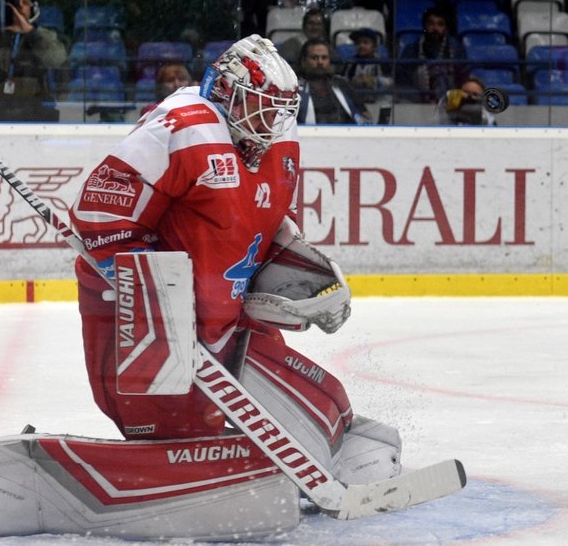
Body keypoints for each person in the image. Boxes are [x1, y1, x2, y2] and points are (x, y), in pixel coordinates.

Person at [57, 35, 398, 536]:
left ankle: (268, 459)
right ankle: (176, 476)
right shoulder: (180, 128)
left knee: (323, 401)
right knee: (171, 421)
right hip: (138, 316)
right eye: (260, 108)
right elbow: (99, 217)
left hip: (224, 314)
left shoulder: (280, 140)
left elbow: (269, 222)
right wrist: (160, 303)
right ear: (225, 90)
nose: (270, 122)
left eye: (280, 110)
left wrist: (306, 283)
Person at [395, 6, 468, 103]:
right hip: (419, 102)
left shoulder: (456, 48)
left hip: (451, 101)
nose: (435, 28)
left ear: (446, 28)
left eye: (440, 24)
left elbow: (463, 76)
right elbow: (403, 78)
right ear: (425, 26)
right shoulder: (413, 48)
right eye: (431, 24)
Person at [298, 38, 372, 125]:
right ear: (303, 61)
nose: (320, 62)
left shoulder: (341, 83)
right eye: (314, 58)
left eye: (324, 58)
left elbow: (365, 114)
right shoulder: (293, 86)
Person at [341, 27, 393, 104]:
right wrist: (353, 81)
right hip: (358, 101)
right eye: (358, 43)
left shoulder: (382, 62)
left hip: (379, 100)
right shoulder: (351, 63)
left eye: (365, 42)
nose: (361, 46)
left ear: (374, 46)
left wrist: (372, 80)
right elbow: (344, 80)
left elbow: (391, 81)